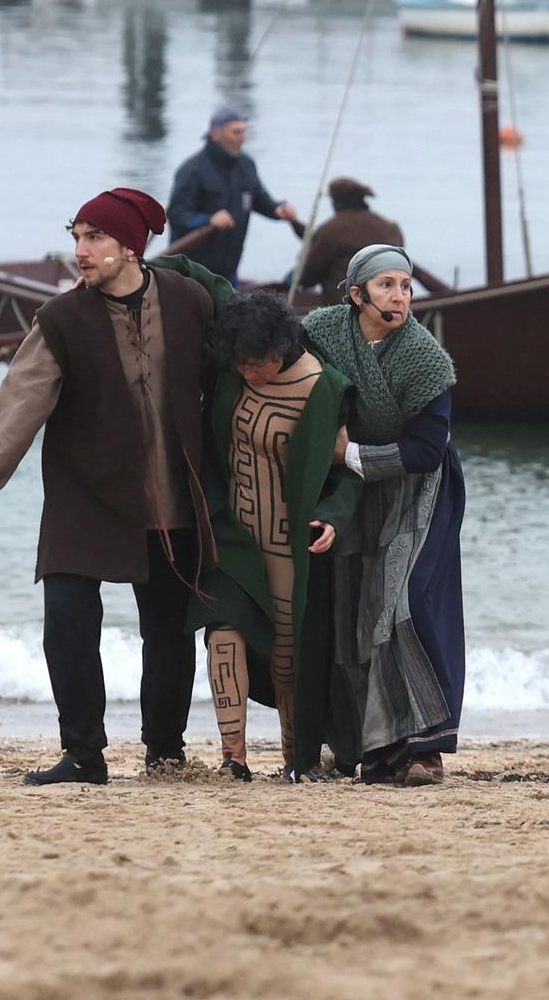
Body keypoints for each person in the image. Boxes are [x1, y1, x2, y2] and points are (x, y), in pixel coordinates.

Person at [0, 188, 218, 786]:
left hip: (173, 493)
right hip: (84, 493)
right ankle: (83, 755)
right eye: (76, 236)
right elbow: (21, 398)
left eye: (93, 238)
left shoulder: (188, 300)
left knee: (169, 632)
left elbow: (229, 381)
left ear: (129, 247)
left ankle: (165, 753)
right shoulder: (62, 318)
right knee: (67, 623)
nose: (80, 250)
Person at [304, 244, 465, 786]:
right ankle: (364, 748)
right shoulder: (323, 331)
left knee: (404, 605)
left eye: (405, 285)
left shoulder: (425, 358)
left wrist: (347, 453)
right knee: (353, 607)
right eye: (386, 286)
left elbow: (426, 449)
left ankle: (425, 748)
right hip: (352, 491)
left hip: (419, 488)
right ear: (356, 295)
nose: (400, 296)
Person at [190, 290, 361, 781]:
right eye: (240, 363)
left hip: (289, 546)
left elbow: (346, 471)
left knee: (288, 657)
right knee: (222, 632)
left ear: (282, 348)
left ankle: (294, 759)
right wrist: (142, 261)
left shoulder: (324, 389)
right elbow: (203, 278)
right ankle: (232, 758)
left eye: (258, 362)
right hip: (234, 536)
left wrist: (334, 514)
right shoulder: (232, 376)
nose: (249, 372)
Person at [167, 106, 300, 282]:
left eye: (244, 132)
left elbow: (260, 200)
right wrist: (208, 220)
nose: (242, 139)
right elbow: (176, 215)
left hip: (229, 271)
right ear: (215, 134)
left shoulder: (246, 165)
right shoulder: (192, 171)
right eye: (236, 133)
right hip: (191, 273)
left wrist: (278, 209)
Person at [295, 176, 406, 296]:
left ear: (336, 202)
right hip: (388, 300)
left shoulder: (330, 230)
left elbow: (311, 269)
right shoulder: (390, 228)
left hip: (342, 304)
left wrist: (292, 281)